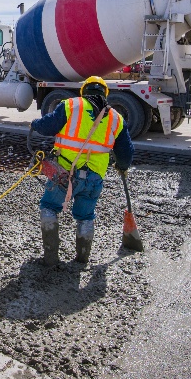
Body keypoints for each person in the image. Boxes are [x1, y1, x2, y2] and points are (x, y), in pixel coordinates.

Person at [30, 76, 134, 266]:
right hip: (94, 178)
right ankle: (82, 259)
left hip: (64, 173)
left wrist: (35, 124)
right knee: (86, 216)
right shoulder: (116, 118)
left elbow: (47, 126)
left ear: (84, 91)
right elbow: (126, 152)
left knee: (49, 208)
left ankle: (51, 257)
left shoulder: (71, 105)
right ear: (105, 93)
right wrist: (123, 167)